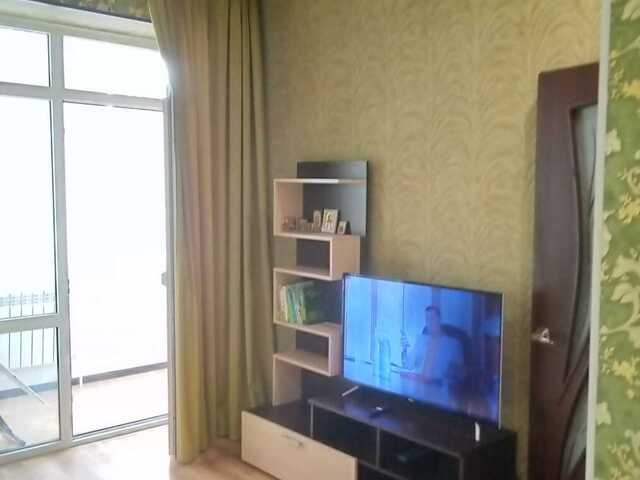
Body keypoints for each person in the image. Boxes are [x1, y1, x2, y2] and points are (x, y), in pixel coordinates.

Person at [400, 306, 464, 385]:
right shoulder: (420, 340)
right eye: (427, 319)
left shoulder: (453, 344)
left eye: (432, 318)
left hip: (438, 387)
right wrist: (404, 349)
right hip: (418, 384)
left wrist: (453, 372)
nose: (429, 323)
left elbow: (460, 376)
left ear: (439, 320)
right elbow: (408, 365)